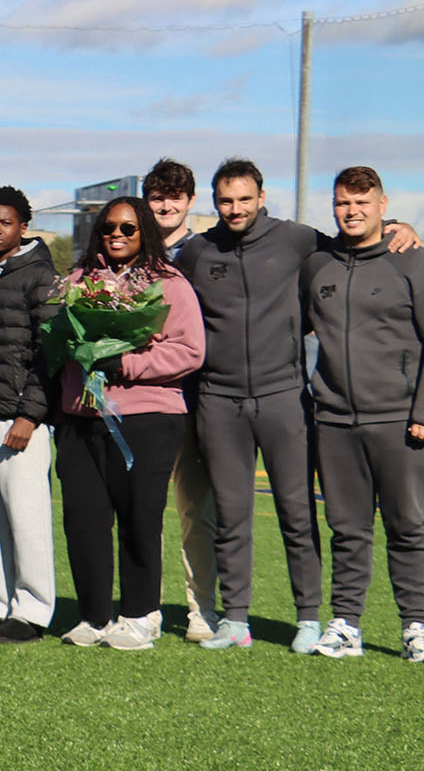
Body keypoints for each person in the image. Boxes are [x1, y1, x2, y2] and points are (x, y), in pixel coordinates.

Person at [175, 158, 416, 652]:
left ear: (262, 198)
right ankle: (235, 619)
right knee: (232, 512)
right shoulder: (198, 252)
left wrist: (397, 228)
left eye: (245, 198)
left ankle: (309, 617)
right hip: (220, 402)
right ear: (215, 203)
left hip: (285, 396)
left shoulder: (298, 241)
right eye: (226, 200)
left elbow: (360, 241)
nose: (235, 208)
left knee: (299, 513)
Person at [55, 197, 204, 651]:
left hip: (147, 416)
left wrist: (125, 362)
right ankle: (94, 615)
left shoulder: (170, 283)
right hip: (82, 416)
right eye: (108, 228)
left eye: (128, 228)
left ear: (146, 234)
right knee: (83, 518)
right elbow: (61, 339)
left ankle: (141, 615)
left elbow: (190, 350)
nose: (117, 235)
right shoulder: (78, 281)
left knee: (139, 517)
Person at [300, 166, 424, 662]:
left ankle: (416, 625)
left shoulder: (411, 260)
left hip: (399, 420)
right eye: (342, 203)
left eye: (362, 202)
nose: (352, 212)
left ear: (382, 204)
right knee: (347, 529)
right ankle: (346, 625)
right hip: (333, 421)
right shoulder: (318, 265)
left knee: (409, 526)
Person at [0, 187, 58, 643]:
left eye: (4, 222)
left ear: (24, 225)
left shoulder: (42, 277)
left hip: (20, 421)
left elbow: (50, 353)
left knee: (27, 517)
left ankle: (33, 611)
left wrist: (30, 414)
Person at [142, 158, 220, 641]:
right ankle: (142, 605)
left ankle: (202, 608)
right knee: (142, 509)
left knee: (196, 511)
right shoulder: (129, 247)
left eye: (175, 196)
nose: (166, 204)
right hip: (142, 398)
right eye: (157, 196)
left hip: (197, 397)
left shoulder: (210, 250)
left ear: (191, 201)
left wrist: (399, 227)